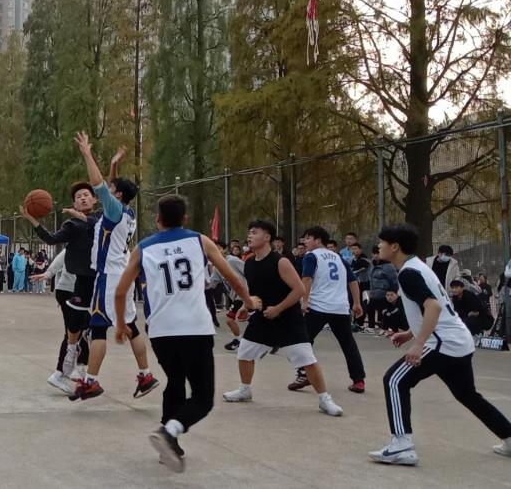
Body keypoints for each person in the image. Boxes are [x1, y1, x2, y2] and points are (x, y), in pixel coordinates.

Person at [114, 194, 255, 472]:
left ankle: (170, 445)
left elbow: (120, 292)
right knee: (203, 398)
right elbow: (233, 278)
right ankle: (169, 431)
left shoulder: (143, 248)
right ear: (185, 219)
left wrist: (121, 324)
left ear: (158, 219)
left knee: (175, 380)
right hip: (195, 328)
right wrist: (249, 302)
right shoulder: (200, 241)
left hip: (161, 330)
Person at [370, 223, 511, 465]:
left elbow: (433, 307)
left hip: (443, 344)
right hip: (458, 340)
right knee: (467, 395)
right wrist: (410, 333)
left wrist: (418, 344)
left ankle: (402, 445)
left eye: (382, 242)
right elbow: (435, 307)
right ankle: (509, 436)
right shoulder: (418, 267)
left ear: (395, 247)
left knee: (394, 380)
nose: (379, 246)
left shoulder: (408, 273)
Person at [222, 220, 345, 418]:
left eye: (254, 232)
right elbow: (254, 292)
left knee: (307, 359)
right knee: (244, 353)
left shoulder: (281, 262)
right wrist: (245, 306)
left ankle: (325, 399)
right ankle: (245, 390)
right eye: (249, 232)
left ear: (267, 237)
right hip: (262, 318)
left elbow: (299, 290)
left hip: (289, 319)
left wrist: (278, 308)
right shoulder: (250, 264)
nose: (249, 235)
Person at [70, 134, 158, 402]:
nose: (109, 188)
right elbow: (110, 185)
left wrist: (87, 153)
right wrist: (114, 164)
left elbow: (99, 185)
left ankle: (90, 381)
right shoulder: (127, 212)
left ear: (117, 195)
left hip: (108, 277)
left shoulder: (113, 209)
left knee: (98, 328)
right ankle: (146, 374)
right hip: (122, 275)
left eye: (113, 188)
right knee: (130, 325)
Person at [25, 180, 100, 395]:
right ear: (74, 204)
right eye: (78, 197)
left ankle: (78, 369)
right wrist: (33, 220)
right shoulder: (72, 225)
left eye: (86, 195)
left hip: (96, 283)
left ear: (95, 199)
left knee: (88, 329)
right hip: (73, 285)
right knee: (74, 329)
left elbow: (97, 224)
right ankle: (63, 372)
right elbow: (51, 240)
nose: (82, 198)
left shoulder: (101, 221)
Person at [289, 226, 367, 394]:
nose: (305, 241)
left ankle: (304, 374)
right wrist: (357, 303)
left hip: (318, 306)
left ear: (318, 241)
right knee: (348, 343)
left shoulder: (311, 256)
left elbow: (307, 278)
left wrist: (304, 301)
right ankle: (359, 380)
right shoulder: (338, 257)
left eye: (308, 238)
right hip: (340, 308)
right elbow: (353, 281)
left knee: (303, 341)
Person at [368, 245, 399, 334]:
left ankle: (384, 328)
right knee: (370, 309)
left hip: (384, 293)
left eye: (377, 253)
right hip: (374, 292)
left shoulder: (388, 266)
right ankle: (371, 327)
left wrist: (392, 292)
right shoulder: (372, 265)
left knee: (384, 311)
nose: (375, 255)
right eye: (374, 253)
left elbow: (393, 280)